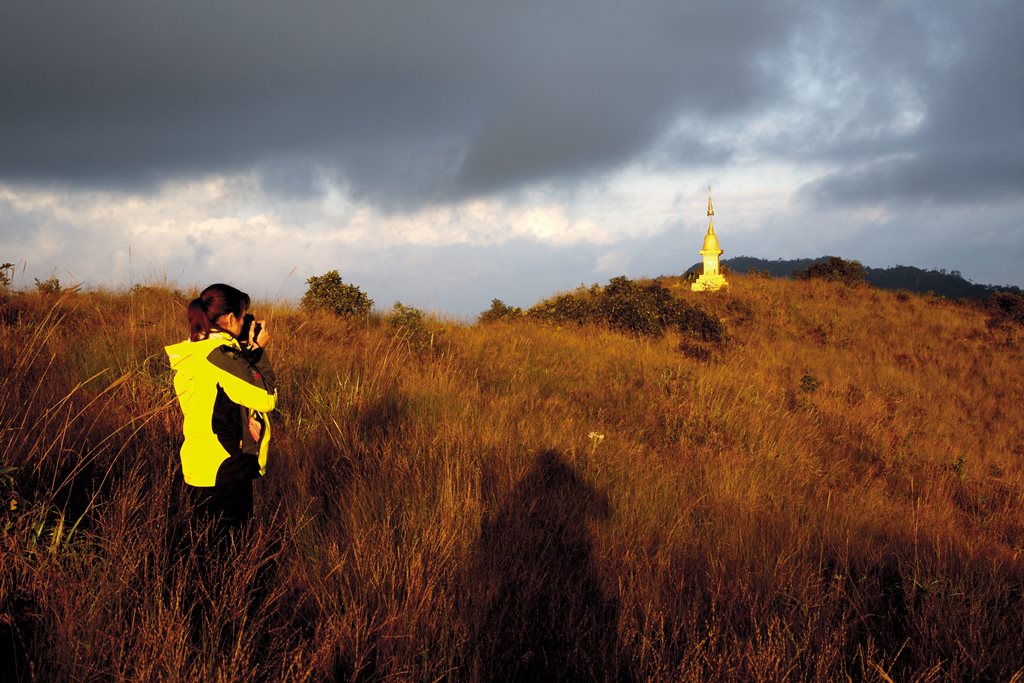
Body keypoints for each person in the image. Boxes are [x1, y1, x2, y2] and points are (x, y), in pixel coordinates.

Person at [165, 283, 277, 536]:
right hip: (226, 465)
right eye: (241, 317)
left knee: (207, 545)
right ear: (229, 318)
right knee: (232, 550)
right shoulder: (221, 356)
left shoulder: (194, 350)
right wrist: (257, 352)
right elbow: (266, 397)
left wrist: (243, 351)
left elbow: (223, 398)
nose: (243, 323)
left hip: (200, 462)